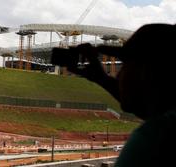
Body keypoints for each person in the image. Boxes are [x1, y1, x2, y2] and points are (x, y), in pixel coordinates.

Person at [52, 23, 176, 166]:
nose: (119, 75)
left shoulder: (154, 139)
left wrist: (102, 79)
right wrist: (102, 79)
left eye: (125, 64)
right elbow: (146, 107)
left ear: (147, 72)